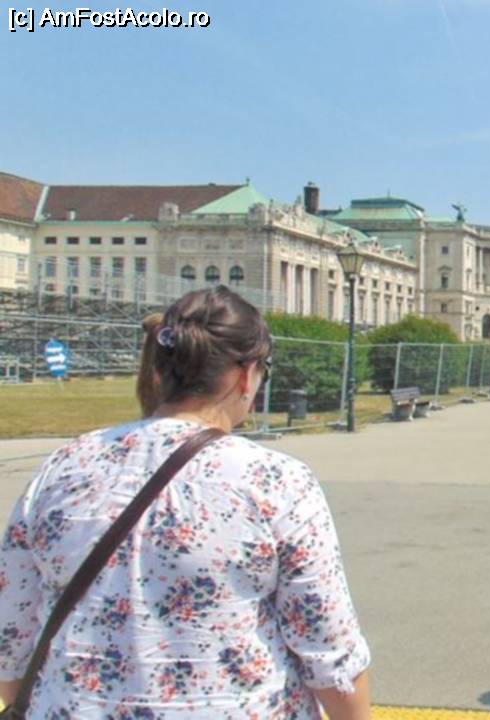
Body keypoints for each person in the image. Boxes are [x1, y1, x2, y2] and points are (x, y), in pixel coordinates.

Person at [0, 286, 373, 718]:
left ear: (159, 372)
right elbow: (328, 649)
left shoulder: (64, 466)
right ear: (245, 376)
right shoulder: (275, 481)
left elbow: (11, 636)